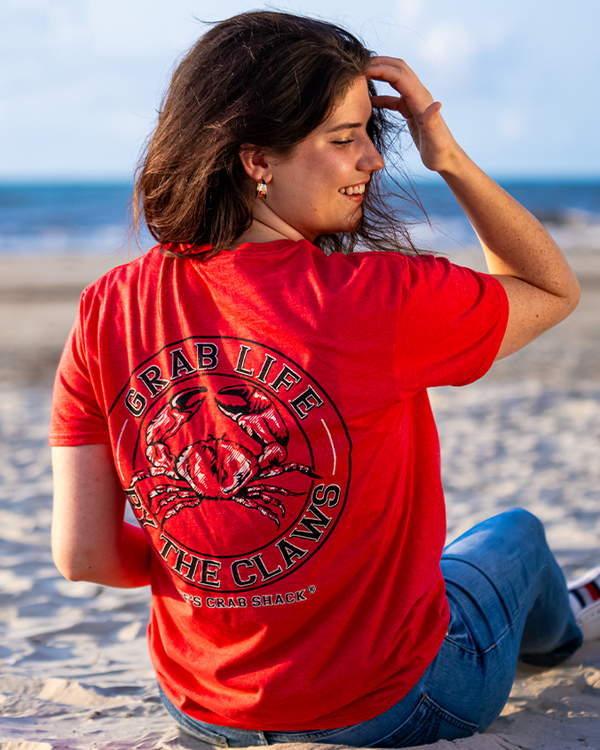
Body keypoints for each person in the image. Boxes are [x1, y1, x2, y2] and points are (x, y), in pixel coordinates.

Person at [49, 11, 592, 748]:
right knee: (515, 536)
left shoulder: (108, 305)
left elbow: (82, 557)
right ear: (257, 160)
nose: (371, 159)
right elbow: (552, 289)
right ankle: (563, 641)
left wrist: (230, 566)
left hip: (205, 709)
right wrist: (448, 153)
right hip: (392, 707)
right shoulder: (379, 299)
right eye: (344, 139)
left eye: (372, 132)